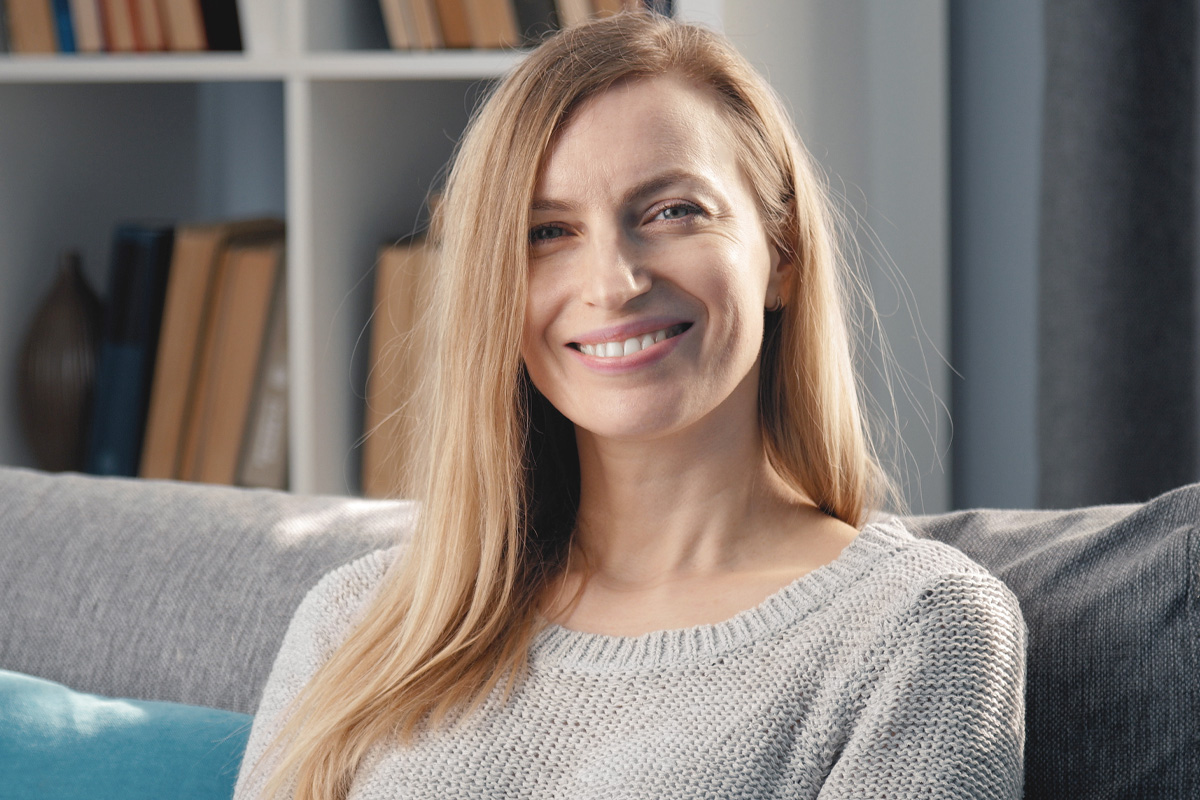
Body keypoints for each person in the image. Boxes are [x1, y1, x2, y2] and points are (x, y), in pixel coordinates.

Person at [235, 12, 1025, 799]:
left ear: (781, 254)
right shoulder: (359, 620)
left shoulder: (917, 627)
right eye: (547, 231)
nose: (613, 282)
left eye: (673, 212)